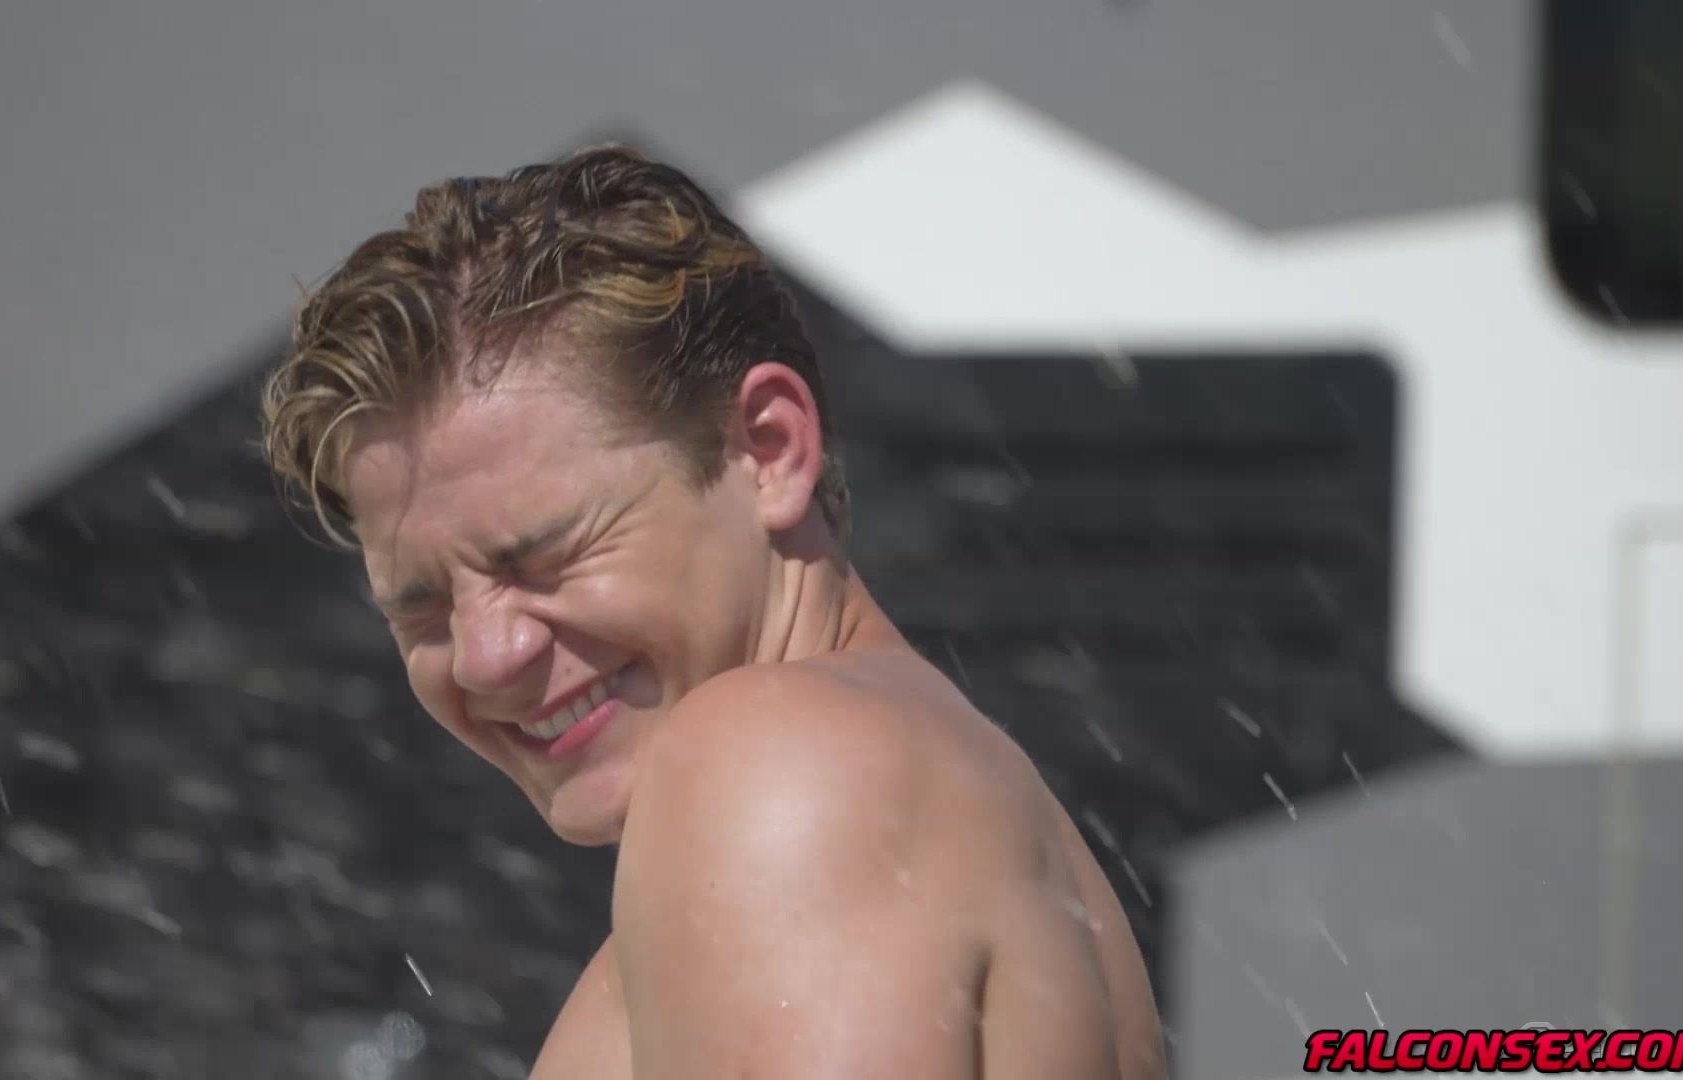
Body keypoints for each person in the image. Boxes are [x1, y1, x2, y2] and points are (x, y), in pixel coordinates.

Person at [259, 145, 1166, 1079]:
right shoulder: (928, 786)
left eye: (546, 554)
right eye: (421, 610)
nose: (484, 656)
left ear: (769, 451)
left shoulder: (779, 764)